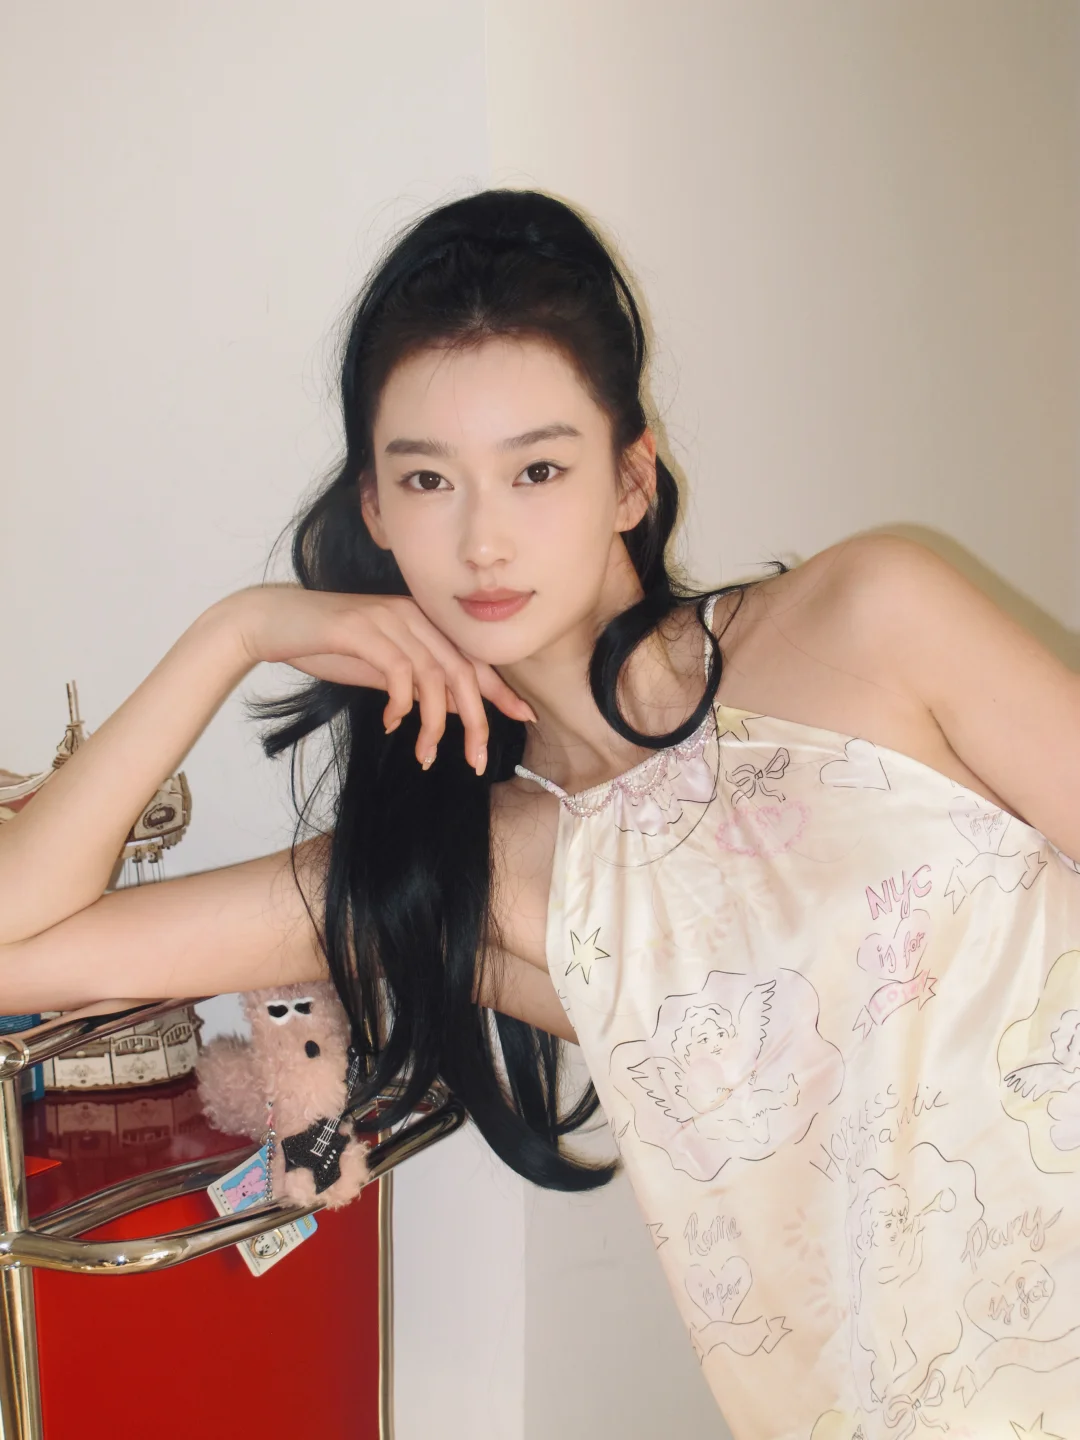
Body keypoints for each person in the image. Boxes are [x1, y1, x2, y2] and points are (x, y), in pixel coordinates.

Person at [1, 189, 1077, 1439]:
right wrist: (235, 634)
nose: (484, 539)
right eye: (428, 479)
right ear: (375, 512)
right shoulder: (476, 876)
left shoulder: (875, 617)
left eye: (539, 469)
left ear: (631, 479)